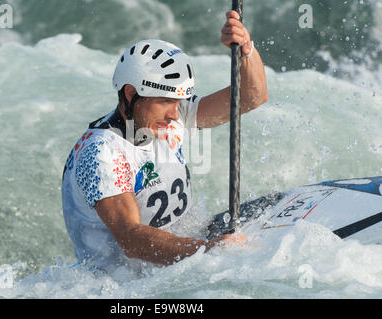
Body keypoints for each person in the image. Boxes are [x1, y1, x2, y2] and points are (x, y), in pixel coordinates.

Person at [61, 10, 268, 272]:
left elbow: (250, 98)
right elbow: (132, 240)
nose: (174, 114)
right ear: (131, 93)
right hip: (129, 286)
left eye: (178, 102)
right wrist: (211, 251)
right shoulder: (101, 155)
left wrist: (245, 50)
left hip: (189, 250)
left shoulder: (168, 116)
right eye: (165, 102)